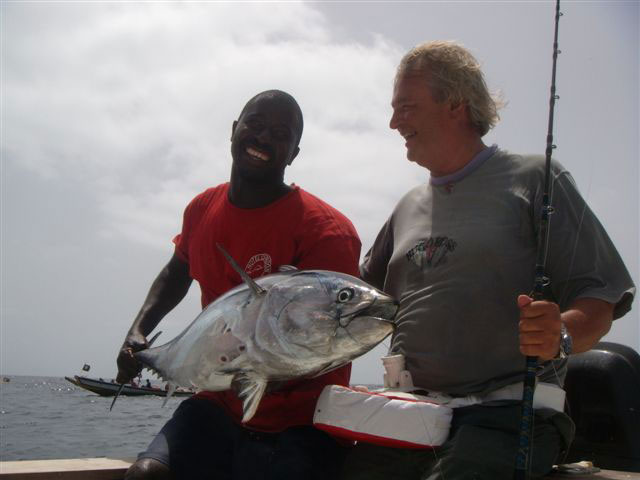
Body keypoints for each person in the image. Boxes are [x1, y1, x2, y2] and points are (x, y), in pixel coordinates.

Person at [340, 41, 635, 479]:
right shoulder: (405, 207)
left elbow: (601, 297)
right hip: (409, 413)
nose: (394, 122)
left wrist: (560, 334)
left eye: (406, 107)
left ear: (456, 104)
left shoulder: (536, 179)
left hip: (509, 413)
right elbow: (354, 307)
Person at [116, 89, 362, 480]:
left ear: (294, 154)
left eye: (280, 134)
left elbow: (335, 338)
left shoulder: (326, 231)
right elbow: (177, 270)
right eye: (255, 124)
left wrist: (263, 372)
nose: (263, 138)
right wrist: (138, 332)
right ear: (234, 129)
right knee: (146, 474)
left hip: (302, 423)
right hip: (218, 404)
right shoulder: (202, 209)